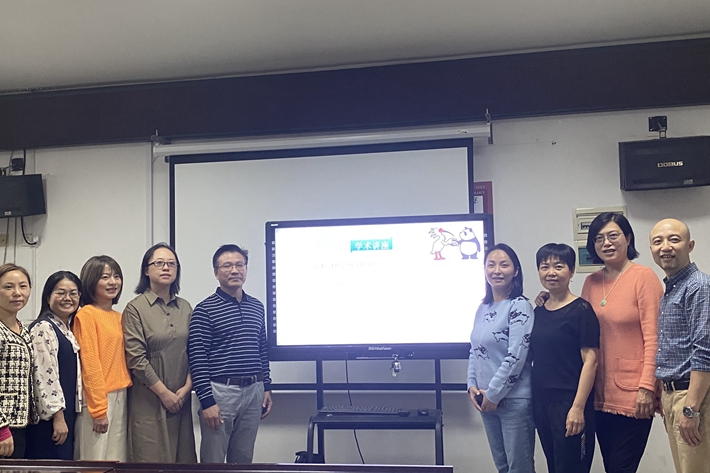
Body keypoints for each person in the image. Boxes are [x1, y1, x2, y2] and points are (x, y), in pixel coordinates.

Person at [579, 212, 663, 473]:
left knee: (621, 468)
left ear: (627, 238)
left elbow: (655, 338)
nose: (606, 243)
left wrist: (647, 387)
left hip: (634, 394)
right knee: (610, 467)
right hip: (598, 393)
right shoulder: (591, 282)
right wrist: (548, 299)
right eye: (599, 238)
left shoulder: (644, 277)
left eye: (613, 236)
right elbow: (579, 328)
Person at [188, 244, 272, 464]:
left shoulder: (257, 307)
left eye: (239, 265)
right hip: (221, 393)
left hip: (254, 391)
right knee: (213, 462)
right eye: (227, 266)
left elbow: (262, 350)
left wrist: (267, 387)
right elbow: (197, 359)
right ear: (216, 272)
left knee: (243, 461)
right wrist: (207, 402)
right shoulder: (204, 310)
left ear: (246, 269)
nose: (234, 270)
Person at [123, 243, 196, 462]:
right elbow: (136, 359)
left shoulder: (185, 307)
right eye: (159, 263)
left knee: (183, 460)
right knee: (151, 460)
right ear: (146, 270)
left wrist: (187, 387)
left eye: (171, 264)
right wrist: (164, 394)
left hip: (181, 398)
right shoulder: (135, 308)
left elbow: (195, 351)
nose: (166, 268)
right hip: (149, 398)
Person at [531, 243, 599, 473]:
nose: (551, 272)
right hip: (542, 403)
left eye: (558, 266)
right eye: (545, 267)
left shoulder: (582, 310)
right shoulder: (539, 310)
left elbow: (591, 361)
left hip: (569, 402)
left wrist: (578, 407)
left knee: (572, 468)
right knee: (554, 465)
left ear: (571, 271)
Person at [467, 243, 535, 473]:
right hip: (486, 400)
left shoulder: (520, 306)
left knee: (519, 469)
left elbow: (516, 357)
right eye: (491, 265)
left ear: (515, 271)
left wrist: (493, 394)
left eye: (504, 265)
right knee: (503, 467)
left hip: (513, 401)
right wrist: (471, 385)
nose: (497, 270)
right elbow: (474, 349)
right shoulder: (483, 307)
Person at [650, 218, 710, 473]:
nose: (665, 247)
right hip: (673, 396)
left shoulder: (699, 287)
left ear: (690, 245)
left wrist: (691, 410)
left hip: (693, 398)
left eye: (674, 239)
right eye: (658, 241)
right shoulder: (672, 288)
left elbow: (705, 352)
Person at [73, 255, 132, 461]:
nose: (113, 282)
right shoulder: (86, 315)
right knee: (95, 460)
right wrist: (98, 410)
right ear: (91, 281)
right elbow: (90, 365)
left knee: (117, 459)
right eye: (105, 277)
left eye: (116, 276)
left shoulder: (119, 316)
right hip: (98, 398)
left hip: (121, 394)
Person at [26, 271, 84, 460]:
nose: (68, 298)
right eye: (60, 292)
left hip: (66, 415)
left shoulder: (66, 329)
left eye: (73, 293)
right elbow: (43, 376)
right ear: (48, 297)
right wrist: (58, 417)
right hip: (50, 420)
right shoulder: (43, 328)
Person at [0, 263, 36, 458]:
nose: (17, 293)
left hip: (21, 425)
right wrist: (2, 428)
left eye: (23, 286)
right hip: (4, 427)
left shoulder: (23, 329)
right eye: (8, 287)